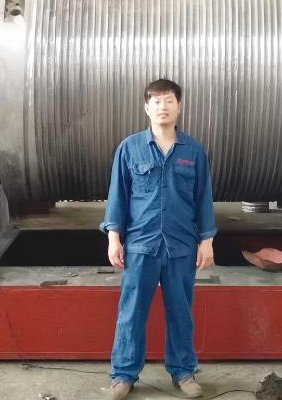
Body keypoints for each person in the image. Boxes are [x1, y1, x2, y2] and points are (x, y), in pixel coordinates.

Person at [99, 78, 216, 400]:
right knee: (131, 312)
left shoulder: (193, 151)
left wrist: (206, 240)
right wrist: (113, 237)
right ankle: (124, 375)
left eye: (169, 101)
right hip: (141, 245)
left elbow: (203, 197)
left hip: (181, 246)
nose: (162, 107)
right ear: (146, 108)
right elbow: (118, 195)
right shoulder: (130, 148)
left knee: (181, 313)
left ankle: (183, 372)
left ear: (179, 106)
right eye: (156, 101)